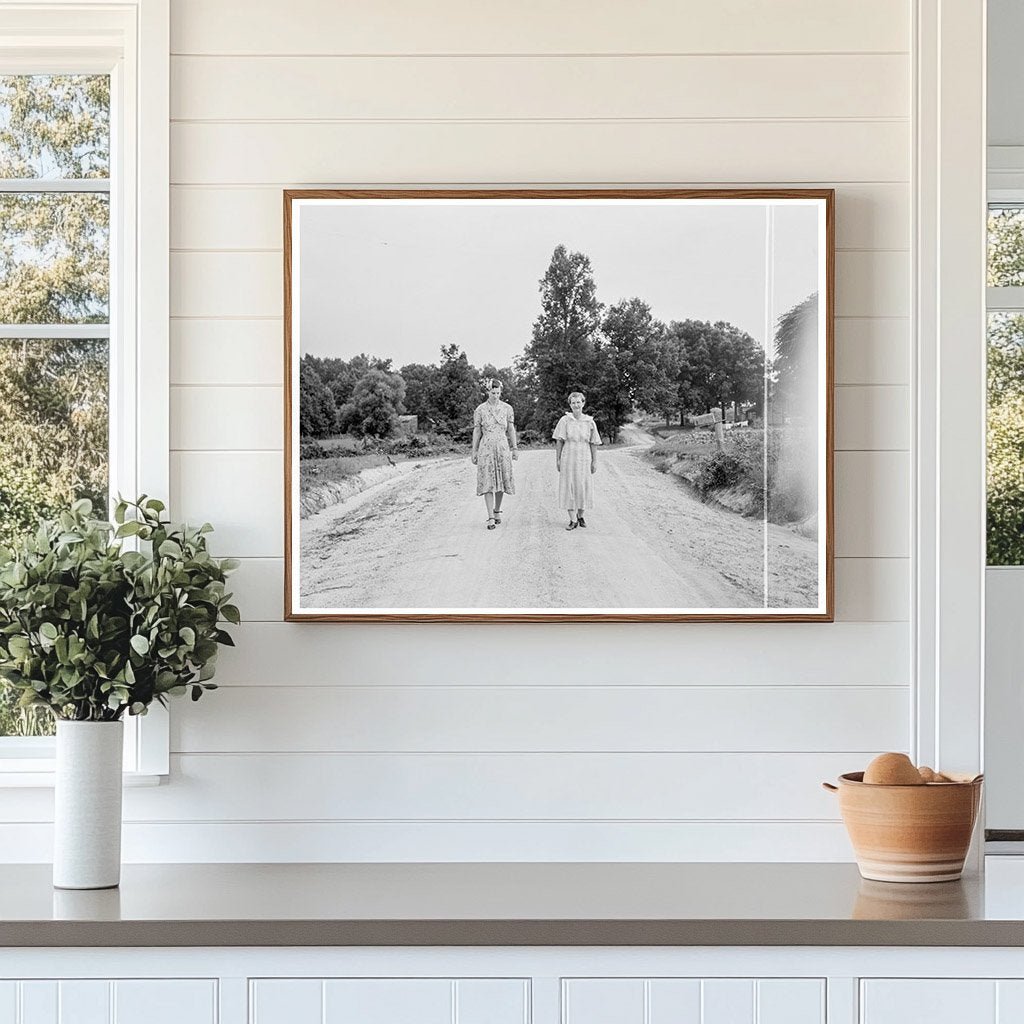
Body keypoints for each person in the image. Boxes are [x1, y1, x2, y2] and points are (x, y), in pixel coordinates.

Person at [471, 378, 518, 529]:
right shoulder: (480, 410)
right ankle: (490, 516)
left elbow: (510, 429)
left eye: (498, 393)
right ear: (488, 392)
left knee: (501, 481)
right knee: (488, 481)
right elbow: (477, 430)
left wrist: (515, 448)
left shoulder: (507, 408)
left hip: (502, 447)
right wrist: (474, 451)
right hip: (486, 448)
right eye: (493, 393)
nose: (496, 396)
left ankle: (497, 510)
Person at [553, 391, 601, 530]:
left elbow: (593, 443)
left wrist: (594, 461)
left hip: (584, 457)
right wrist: (558, 459)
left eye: (578, 402)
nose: (576, 405)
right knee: (569, 486)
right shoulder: (565, 420)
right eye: (573, 402)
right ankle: (572, 519)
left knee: (583, 485)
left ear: (583, 403)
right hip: (569, 456)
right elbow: (559, 441)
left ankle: (580, 515)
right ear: (570, 404)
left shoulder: (589, 422)